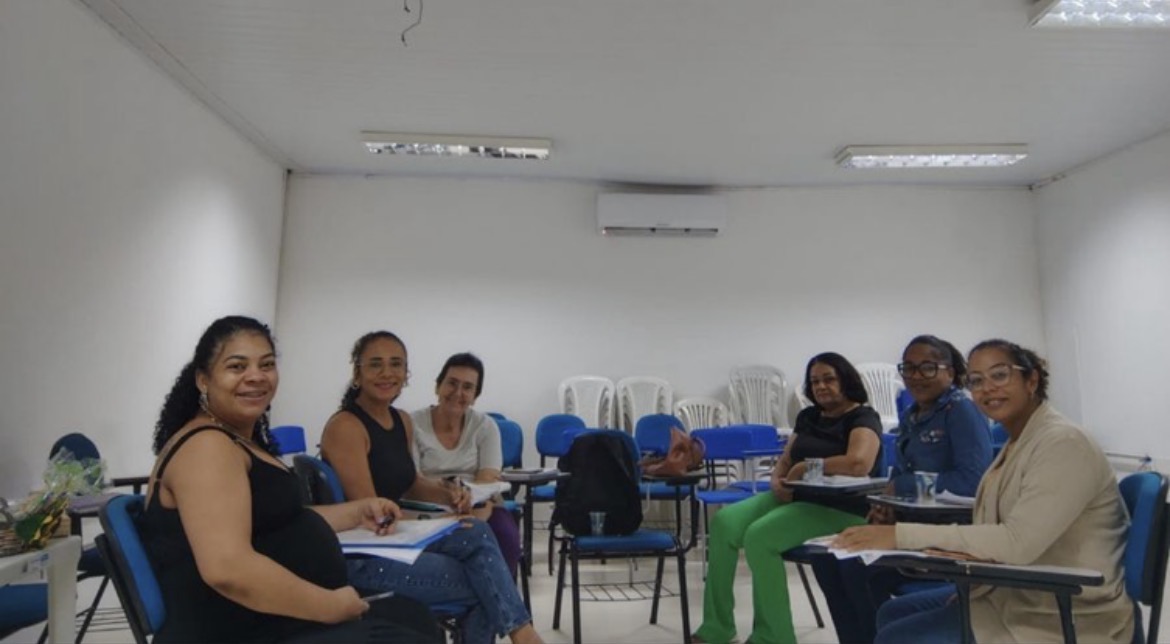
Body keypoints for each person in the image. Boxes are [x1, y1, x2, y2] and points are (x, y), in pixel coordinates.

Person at [141, 316, 442, 643]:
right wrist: (329, 606)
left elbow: (281, 519)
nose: (256, 376)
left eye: (266, 364)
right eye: (237, 366)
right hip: (235, 630)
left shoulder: (236, 439)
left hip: (270, 618)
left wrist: (358, 511)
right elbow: (227, 569)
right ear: (203, 380)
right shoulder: (206, 447)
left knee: (415, 617)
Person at [833, 340, 1134, 644]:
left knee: (898, 637)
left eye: (1000, 375)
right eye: (976, 381)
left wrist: (900, 535)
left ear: (1031, 380)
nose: (987, 388)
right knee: (892, 613)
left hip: (1062, 611)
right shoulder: (1018, 442)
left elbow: (1016, 543)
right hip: (1015, 592)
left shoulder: (1063, 444)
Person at [320, 331, 540, 644]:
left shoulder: (401, 420)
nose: (387, 373)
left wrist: (449, 494)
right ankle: (525, 636)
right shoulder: (346, 426)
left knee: (477, 533)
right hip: (367, 556)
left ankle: (523, 634)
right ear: (357, 373)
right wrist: (436, 521)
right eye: (376, 364)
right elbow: (370, 513)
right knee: (485, 584)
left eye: (396, 364)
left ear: (406, 373)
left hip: (395, 541)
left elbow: (411, 483)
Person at [811, 335, 993, 643]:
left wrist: (903, 487)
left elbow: (972, 482)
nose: (916, 376)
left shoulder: (962, 411)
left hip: (947, 535)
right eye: (908, 368)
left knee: (856, 569)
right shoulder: (911, 415)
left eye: (927, 368)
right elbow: (901, 474)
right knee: (827, 558)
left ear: (949, 372)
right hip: (908, 526)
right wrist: (886, 504)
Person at [692, 352, 883, 644]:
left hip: (842, 507)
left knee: (760, 536)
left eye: (829, 379)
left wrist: (805, 468)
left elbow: (859, 463)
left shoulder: (863, 417)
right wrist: (777, 479)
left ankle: (773, 636)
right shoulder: (809, 416)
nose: (821, 386)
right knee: (725, 522)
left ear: (846, 381)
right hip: (798, 497)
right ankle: (718, 628)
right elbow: (786, 457)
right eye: (815, 381)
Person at [411, 352, 522, 578]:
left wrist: (474, 509)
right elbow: (412, 479)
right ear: (437, 386)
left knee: (506, 537)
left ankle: (498, 597)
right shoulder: (412, 424)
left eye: (468, 387)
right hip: (428, 504)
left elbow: (488, 478)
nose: (458, 393)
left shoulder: (486, 426)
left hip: (480, 503)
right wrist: (449, 501)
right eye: (452, 383)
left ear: (475, 396)